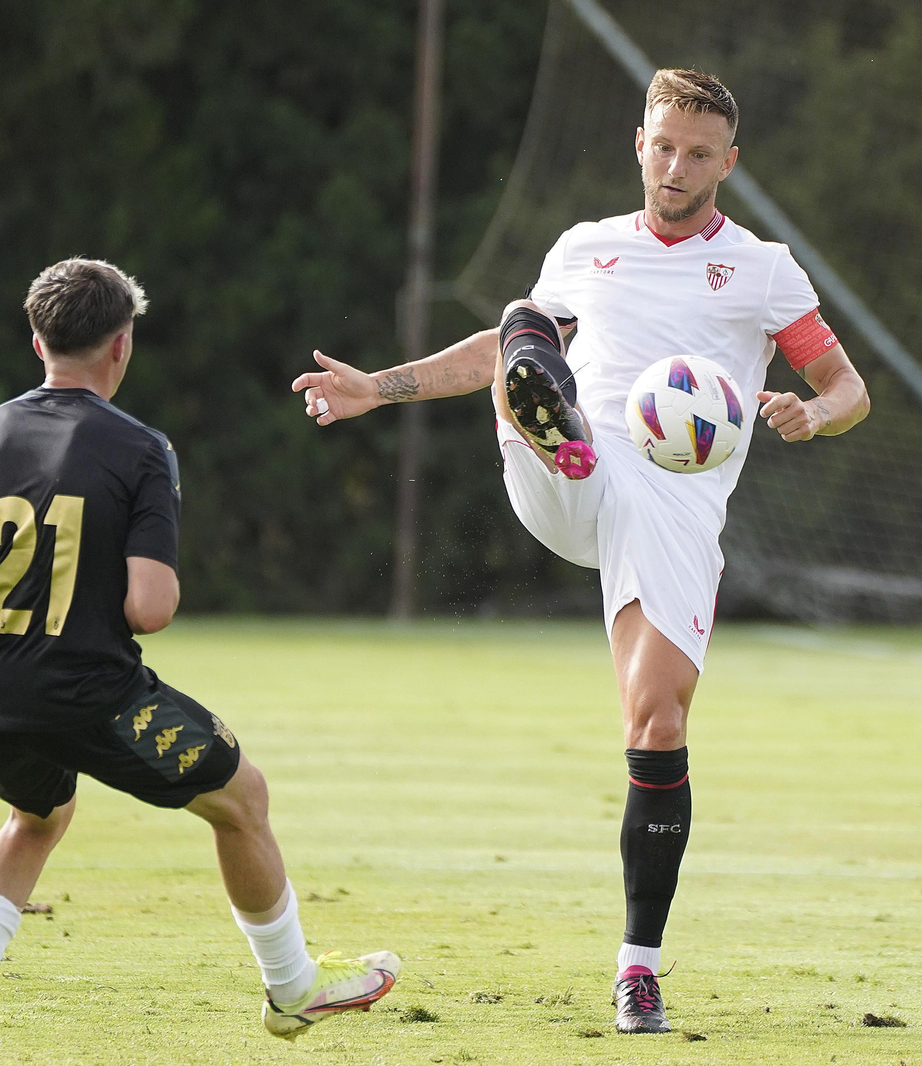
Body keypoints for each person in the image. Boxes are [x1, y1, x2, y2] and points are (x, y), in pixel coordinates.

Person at [292, 69, 869, 1034]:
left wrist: (812, 412)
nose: (676, 165)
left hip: (674, 505)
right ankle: (549, 428)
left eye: (698, 151)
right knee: (524, 334)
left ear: (729, 162)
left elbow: (848, 384)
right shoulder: (587, 249)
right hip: (579, 480)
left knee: (658, 726)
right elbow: (490, 351)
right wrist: (377, 389)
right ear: (636, 143)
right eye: (663, 144)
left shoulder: (763, 269)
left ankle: (638, 968)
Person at [0, 259, 398, 1065]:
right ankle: (293, 989)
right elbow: (150, 607)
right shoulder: (140, 448)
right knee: (241, 797)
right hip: (88, 690)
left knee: (36, 818)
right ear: (123, 345)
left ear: (37, 339)